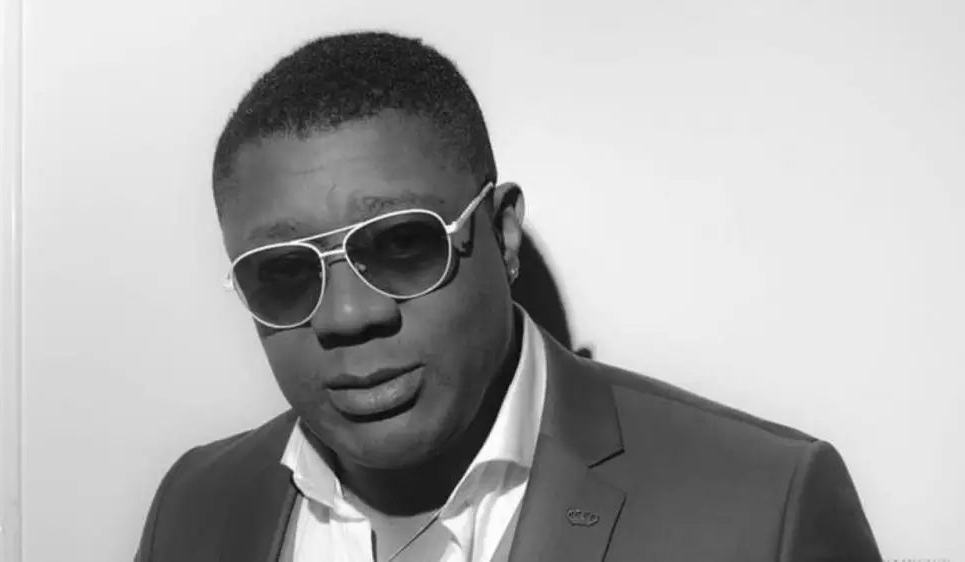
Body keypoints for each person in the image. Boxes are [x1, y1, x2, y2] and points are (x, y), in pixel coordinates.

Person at [134, 31, 883, 562]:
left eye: (402, 245)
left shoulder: (762, 507)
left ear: (503, 233)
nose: (349, 316)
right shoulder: (195, 506)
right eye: (285, 273)